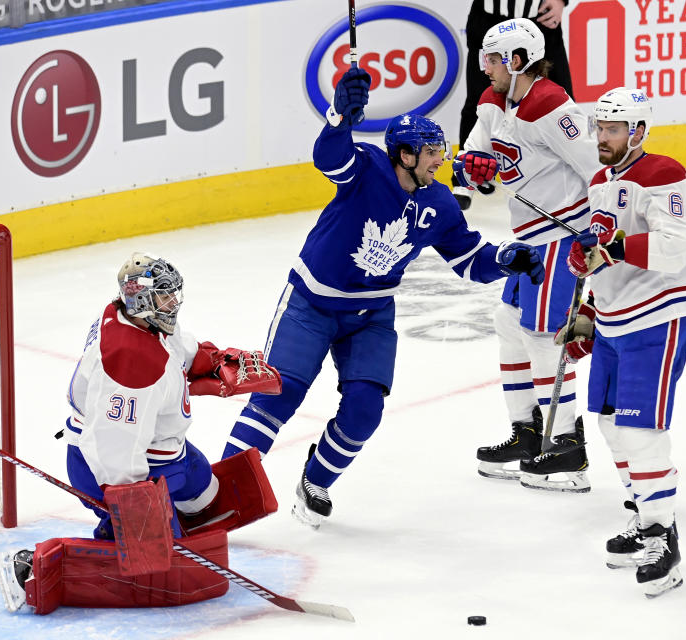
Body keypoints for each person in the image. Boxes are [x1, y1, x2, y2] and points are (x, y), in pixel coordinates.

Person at [220, 66, 547, 529]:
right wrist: (340, 117)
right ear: (406, 154)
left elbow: (471, 260)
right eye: (432, 151)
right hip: (312, 303)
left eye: (440, 150)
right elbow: (328, 156)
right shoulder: (368, 169)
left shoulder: (441, 204)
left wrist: (507, 258)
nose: (440, 160)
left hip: (371, 314)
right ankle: (220, 497)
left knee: (364, 410)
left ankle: (315, 482)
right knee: (279, 395)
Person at [0, 252, 281, 613]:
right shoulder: (129, 362)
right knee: (164, 566)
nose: (173, 302)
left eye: (174, 293)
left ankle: (161, 520)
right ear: (142, 299)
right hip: (118, 469)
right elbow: (113, 441)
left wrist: (214, 360)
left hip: (165, 450)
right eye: (165, 295)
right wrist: (132, 500)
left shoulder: (136, 318)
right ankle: (39, 567)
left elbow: (177, 350)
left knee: (207, 492)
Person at [558, 87, 686, 597]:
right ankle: (643, 512)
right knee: (609, 424)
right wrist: (586, 309)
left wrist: (612, 249)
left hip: (658, 316)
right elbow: (597, 251)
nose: (601, 137)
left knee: (641, 430)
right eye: (599, 128)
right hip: (613, 319)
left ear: (639, 132)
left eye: (612, 129)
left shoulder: (662, 173)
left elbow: (678, 243)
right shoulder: (601, 180)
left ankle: (662, 535)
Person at [455, 17, 601, 492]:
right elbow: (475, 164)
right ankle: (526, 431)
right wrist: (471, 170)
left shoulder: (552, 106)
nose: (486, 68)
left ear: (518, 61)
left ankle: (566, 448)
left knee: (543, 334)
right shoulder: (493, 103)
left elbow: (598, 171)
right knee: (508, 323)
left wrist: (600, 230)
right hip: (528, 235)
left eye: (493, 60)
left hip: (565, 231)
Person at [455, 0, 574, 210]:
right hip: (489, 17)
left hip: (538, 21)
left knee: (560, 97)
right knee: (479, 98)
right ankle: (466, 177)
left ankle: (573, 172)